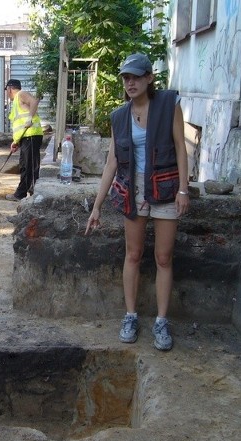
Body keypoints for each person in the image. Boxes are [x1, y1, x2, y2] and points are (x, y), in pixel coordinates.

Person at [85, 53, 189, 351]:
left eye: (135, 76)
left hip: (166, 187)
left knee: (163, 257)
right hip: (133, 190)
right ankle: (130, 316)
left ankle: (161, 321)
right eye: (125, 78)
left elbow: (181, 148)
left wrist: (184, 189)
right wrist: (96, 207)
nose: (130, 82)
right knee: (133, 254)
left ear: (149, 78)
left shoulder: (170, 105)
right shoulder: (119, 116)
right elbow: (111, 164)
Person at [4, 79, 44, 201]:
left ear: (10, 89)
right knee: (25, 166)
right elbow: (19, 126)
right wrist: (16, 142)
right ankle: (31, 192)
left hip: (31, 135)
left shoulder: (21, 94)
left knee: (29, 166)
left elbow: (34, 101)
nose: (6, 93)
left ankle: (21, 194)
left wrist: (30, 118)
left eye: (6, 90)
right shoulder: (17, 101)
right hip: (26, 137)